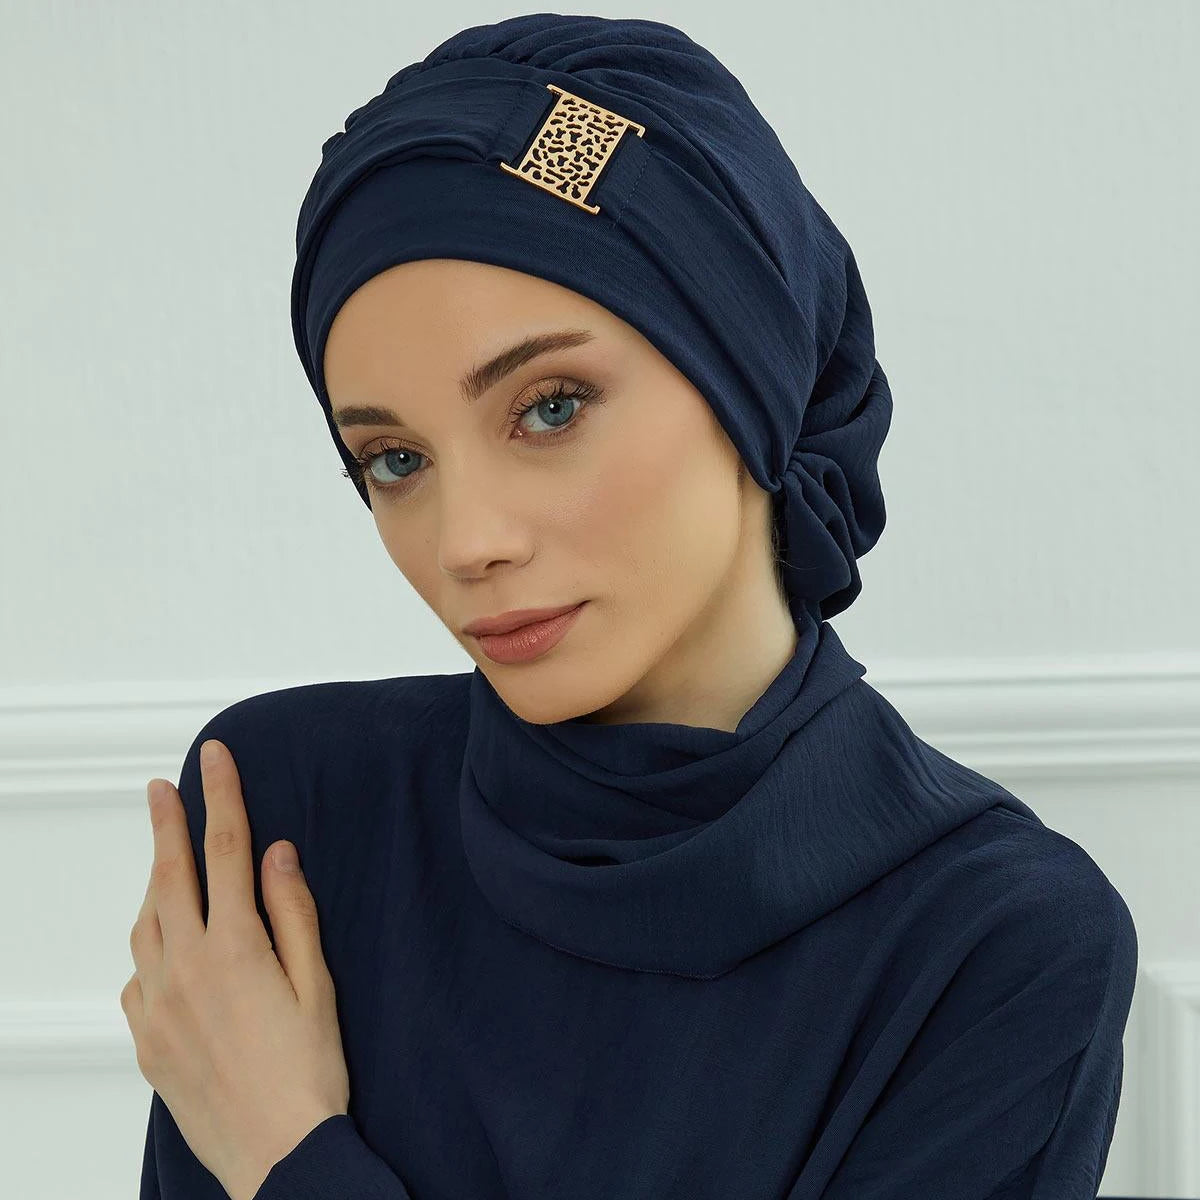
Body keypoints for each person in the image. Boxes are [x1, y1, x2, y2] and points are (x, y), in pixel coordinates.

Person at [138, 14, 1137, 1199]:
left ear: (747, 374)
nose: (467, 544)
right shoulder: (284, 814)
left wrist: (286, 1155)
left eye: (550, 407)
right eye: (396, 461)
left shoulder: (995, 941)